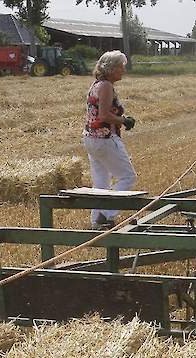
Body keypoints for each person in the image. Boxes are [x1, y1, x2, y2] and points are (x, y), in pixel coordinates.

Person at [83, 50, 137, 229]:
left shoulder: (96, 84)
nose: (124, 71)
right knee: (127, 177)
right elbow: (104, 115)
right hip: (105, 139)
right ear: (112, 68)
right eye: (121, 67)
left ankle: (96, 221)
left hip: (92, 139)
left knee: (101, 182)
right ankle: (106, 215)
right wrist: (124, 120)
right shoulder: (106, 86)